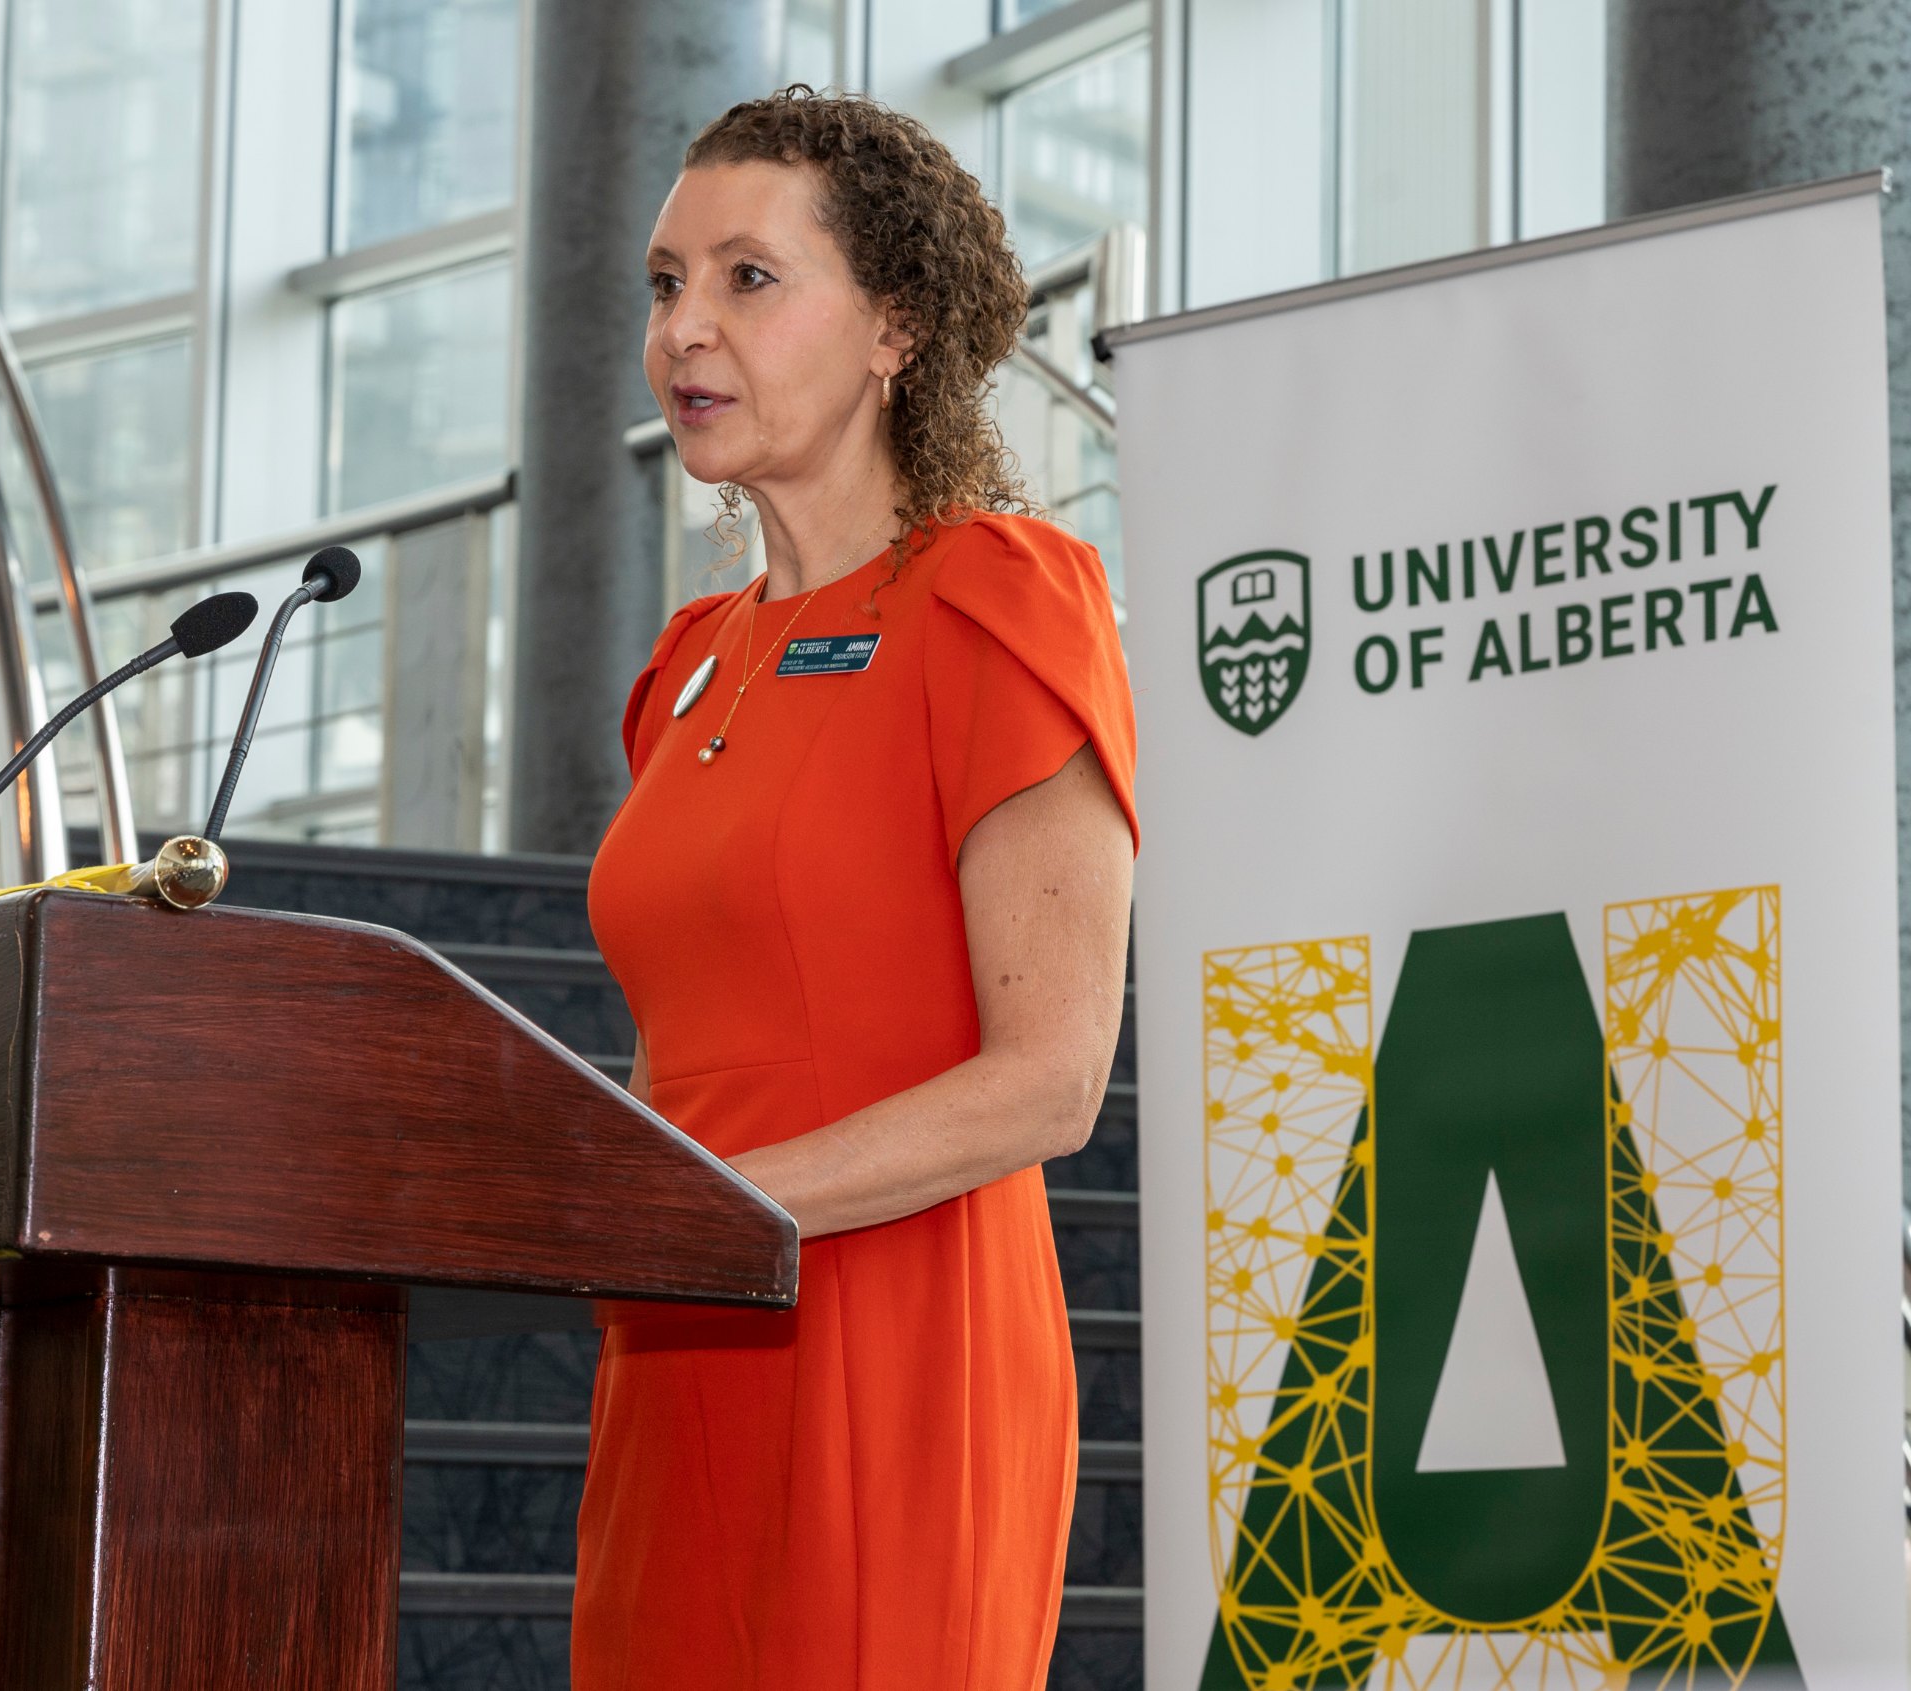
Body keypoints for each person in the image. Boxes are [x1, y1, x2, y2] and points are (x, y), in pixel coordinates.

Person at [579, 86, 1140, 1690]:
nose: (686, 329)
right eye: (664, 282)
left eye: (749, 279)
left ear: (895, 325)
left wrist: (699, 1208)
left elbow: (1048, 1084)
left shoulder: (1003, 600)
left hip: (900, 1345)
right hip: (678, 1349)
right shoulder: (690, 662)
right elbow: (683, 1045)